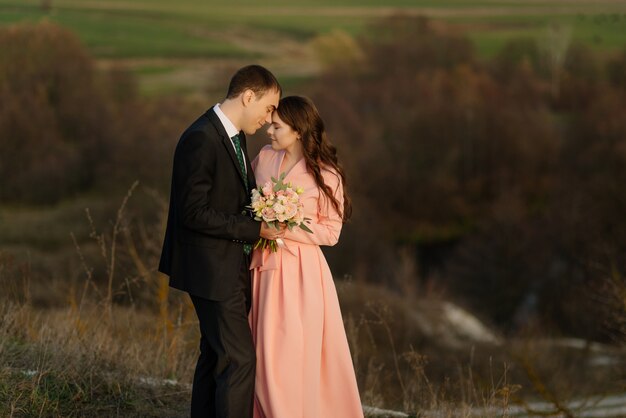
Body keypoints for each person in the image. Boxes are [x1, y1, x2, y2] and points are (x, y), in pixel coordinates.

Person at [158, 65, 286, 418]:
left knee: (216, 355)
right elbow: (193, 213)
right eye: (268, 108)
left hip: (225, 265)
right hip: (210, 269)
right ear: (248, 96)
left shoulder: (235, 135)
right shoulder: (200, 138)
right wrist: (254, 229)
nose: (268, 118)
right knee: (239, 359)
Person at [249, 96, 363, 418]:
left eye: (276, 126)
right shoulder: (264, 158)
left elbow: (331, 232)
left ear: (297, 130)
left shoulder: (327, 175)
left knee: (286, 355)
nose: (269, 132)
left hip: (300, 275)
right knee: (259, 353)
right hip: (259, 268)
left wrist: (284, 225)